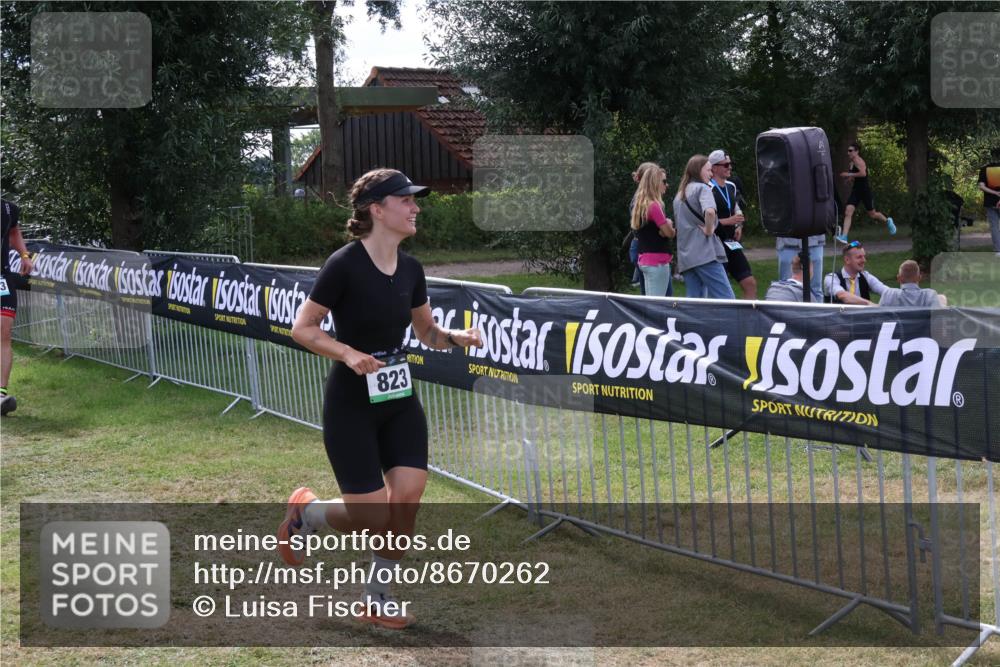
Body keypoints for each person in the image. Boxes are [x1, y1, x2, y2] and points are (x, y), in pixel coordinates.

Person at [278, 169, 483, 629]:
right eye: (405, 200)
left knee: (407, 497)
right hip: (351, 401)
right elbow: (303, 328)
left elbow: (426, 331)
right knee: (371, 515)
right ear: (377, 209)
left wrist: (455, 337)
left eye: (415, 200)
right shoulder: (344, 264)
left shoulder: (411, 268)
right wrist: (348, 353)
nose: (416, 208)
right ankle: (306, 513)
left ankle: (377, 597)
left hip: (398, 396)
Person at [674, 155, 735, 299]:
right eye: (708, 170)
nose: (711, 174)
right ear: (698, 171)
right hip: (704, 254)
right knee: (727, 299)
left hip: (686, 256)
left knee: (696, 302)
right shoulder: (703, 188)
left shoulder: (680, 194)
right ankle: (732, 322)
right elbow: (709, 211)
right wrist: (709, 229)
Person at [707, 150, 756, 299]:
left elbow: (736, 208)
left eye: (730, 164)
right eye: (726, 165)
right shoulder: (708, 188)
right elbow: (704, 220)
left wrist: (738, 225)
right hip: (715, 244)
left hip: (731, 243)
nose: (730, 168)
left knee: (750, 283)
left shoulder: (731, 186)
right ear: (714, 168)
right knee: (719, 291)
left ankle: (748, 320)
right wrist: (729, 221)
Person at [1, 198, 33, 416]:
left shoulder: (7, 207)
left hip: (2, 277)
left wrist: (24, 255)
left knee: (4, 331)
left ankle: (1, 393)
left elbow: (14, 231)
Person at [630, 164, 676, 297]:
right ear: (655, 183)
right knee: (657, 305)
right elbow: (669, 233)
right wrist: (669, 224)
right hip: (657, 261)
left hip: (646, 259)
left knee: (652, 303)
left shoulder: (641, 203)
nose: (666, 185)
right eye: (664, 181)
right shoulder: (654, 206)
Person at [837, 142, 895, 242]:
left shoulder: (859, 161)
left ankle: (888, 220)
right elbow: (853, 175)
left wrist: (848, 174)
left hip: (865, 191)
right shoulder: (852, 162)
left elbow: (863, 174)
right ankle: (844, 236)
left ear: (857, 151)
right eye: (848, 151)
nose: (848, 153)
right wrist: (848, 178)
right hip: (856, 191)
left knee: (872, 214)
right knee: (848, 211)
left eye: (850, 151)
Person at [627, 162, 660, 294]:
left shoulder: (642, 199)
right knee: (651, 293)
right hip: (644, 248)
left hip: (640, 247)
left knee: (648, 292)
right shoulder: (643, 201)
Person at [823, 241, 889, 305]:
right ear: (847, 260)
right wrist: (868, 303)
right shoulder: (831, 278)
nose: (864, 260)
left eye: (864, 256)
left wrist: (897, 293)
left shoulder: (866, 276)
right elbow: (842, 295)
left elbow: (887, 292)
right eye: (859, 257)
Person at [776, 234, 825, 303]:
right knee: (786, 289)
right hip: (787, 240)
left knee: (815, 289)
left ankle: (817, 313)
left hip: (814, 240)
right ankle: (787, 313)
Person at [879, 259, 946, 308]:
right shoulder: (930, 295)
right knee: (942, 299)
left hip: (898, 327)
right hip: (922, 327)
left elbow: (879, 316)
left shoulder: (889, 294)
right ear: (919, 278)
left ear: (898, 278)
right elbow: (938, 318)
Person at [977, 153, 1000, 257]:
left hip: (990, 202)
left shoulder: (984, 169)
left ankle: (998, 251)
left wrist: (994, 193)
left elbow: (981, 186)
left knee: (994, 227)